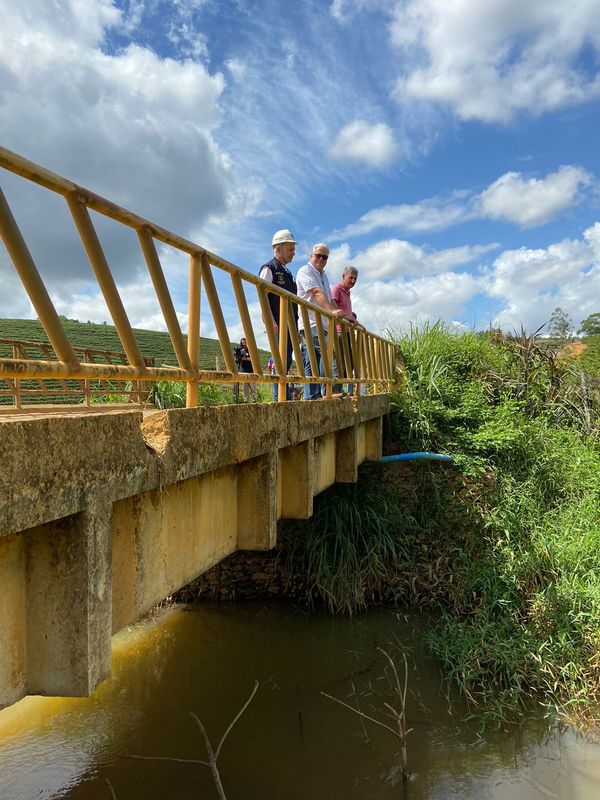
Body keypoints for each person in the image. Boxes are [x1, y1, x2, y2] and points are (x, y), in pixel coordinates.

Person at [296, 243, 344, 399]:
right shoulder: (305, 271)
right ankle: (328, 390)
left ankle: (312, 396)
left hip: (322, 323)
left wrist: (345, 316)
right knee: (328, 352)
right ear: (311, 256)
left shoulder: (323, 275)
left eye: (325, 257)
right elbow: (316, 292)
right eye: (318, 256)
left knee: (313, 360)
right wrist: (332, 311)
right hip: (311, 322)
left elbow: (330, 298)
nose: (321, 259)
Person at [259, 229, 298, 401]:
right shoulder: (269, 268)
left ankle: (284, 395)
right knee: (280, 360)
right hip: (278, 323)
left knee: (286, 360)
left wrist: (296, 327)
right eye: (290, 249)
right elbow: (262, 295)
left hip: (290, 325)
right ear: (278, 248)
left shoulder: (288, 273)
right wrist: (270, 321)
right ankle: (279, 398)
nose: (293, 253)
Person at [331, 266, 365, 395]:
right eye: (351, 277)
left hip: (347, 332)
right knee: (338, 360)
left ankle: (345, 389)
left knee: (349, 362)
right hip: (338, 330)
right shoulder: (336, 289)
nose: (353, 281)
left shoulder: (347, 293)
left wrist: (357, 324)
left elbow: (349, 316)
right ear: (343, 276)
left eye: (355, 278)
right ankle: (335, 389)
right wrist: (346, 317)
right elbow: (332, 305)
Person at [234, 337, 257, 402]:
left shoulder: (251, 350)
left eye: (245, 343)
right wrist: (238, 358)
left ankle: (255, 399)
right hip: (243, 370)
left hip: (251, 370)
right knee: (245, 387)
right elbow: (237, 360)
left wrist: (246, 358)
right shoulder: (240, 350)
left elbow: (254, 359)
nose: (244, 344)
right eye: (243, 343)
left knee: (253, 386)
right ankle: (246, 400)